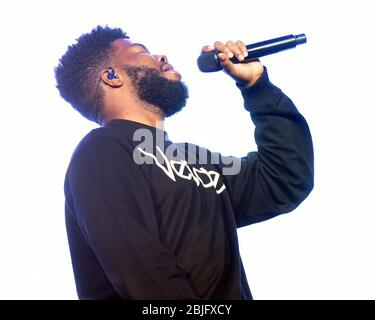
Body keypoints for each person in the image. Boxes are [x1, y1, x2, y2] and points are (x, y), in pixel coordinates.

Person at [55, 25, 314, 300]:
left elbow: (285, 177)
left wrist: (256, 86)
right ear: (111, 76)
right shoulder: (100, 153)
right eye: (141, 51)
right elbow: (143, 274)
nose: (162, 56)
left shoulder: (195, 163)